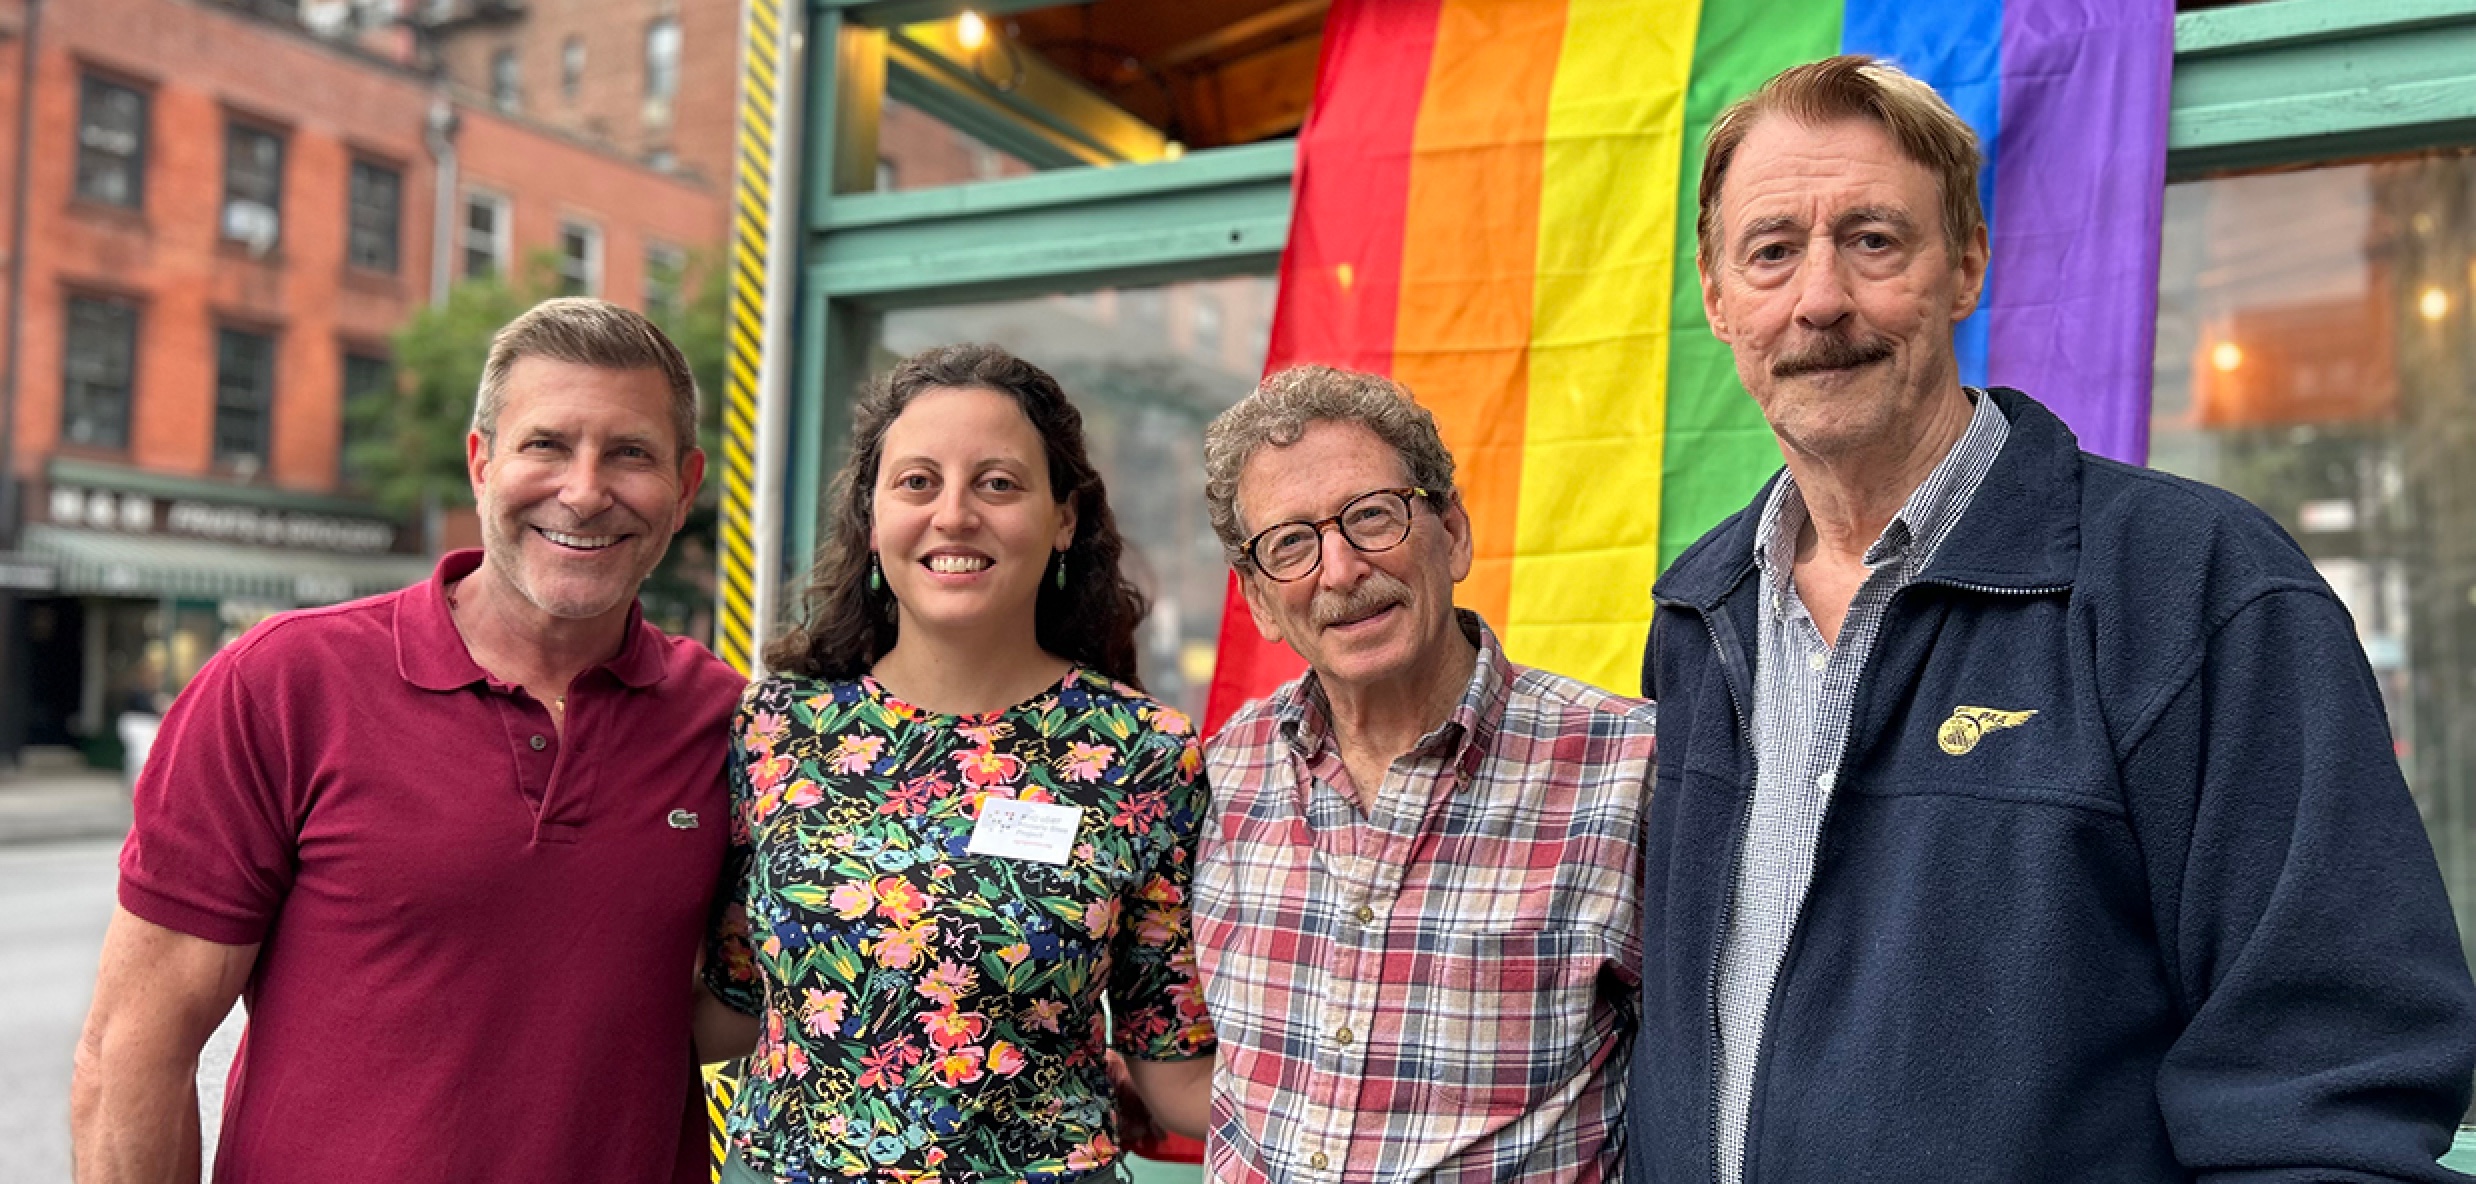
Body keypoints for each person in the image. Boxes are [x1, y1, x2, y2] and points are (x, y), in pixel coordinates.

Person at [1631, 55, 2476, 1184]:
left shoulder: (2194, 587)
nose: (1819, 299)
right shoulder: (1700, 613)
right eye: (1772, 250)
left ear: (1966, 263)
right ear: (1716, 294)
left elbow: (2329, 1082)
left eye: (1874, 241)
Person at [70, 298, 743, 1183]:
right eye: (546, 444)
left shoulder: (727, 723)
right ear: (480, 462)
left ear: (686, 486)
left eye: (631, 453)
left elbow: (724, 1007)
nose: (584, 491)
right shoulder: (285, 684)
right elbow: (131, 1052)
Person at [697, 344, 1216, 1184]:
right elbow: (726, 1005)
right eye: (917, 482)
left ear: (1064, 520)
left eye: (998, 483)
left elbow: (1173, 1064)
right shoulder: (773, 729)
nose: (954, 514)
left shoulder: (1145, 753)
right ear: (872, 520)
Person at [1195, 365, 1653, 1183]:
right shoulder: (1226, 772)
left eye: (1372, 517)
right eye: (1290, 544)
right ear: (1260, 601)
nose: (1339, 571)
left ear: (1453, 534)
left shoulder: (1629, 767)